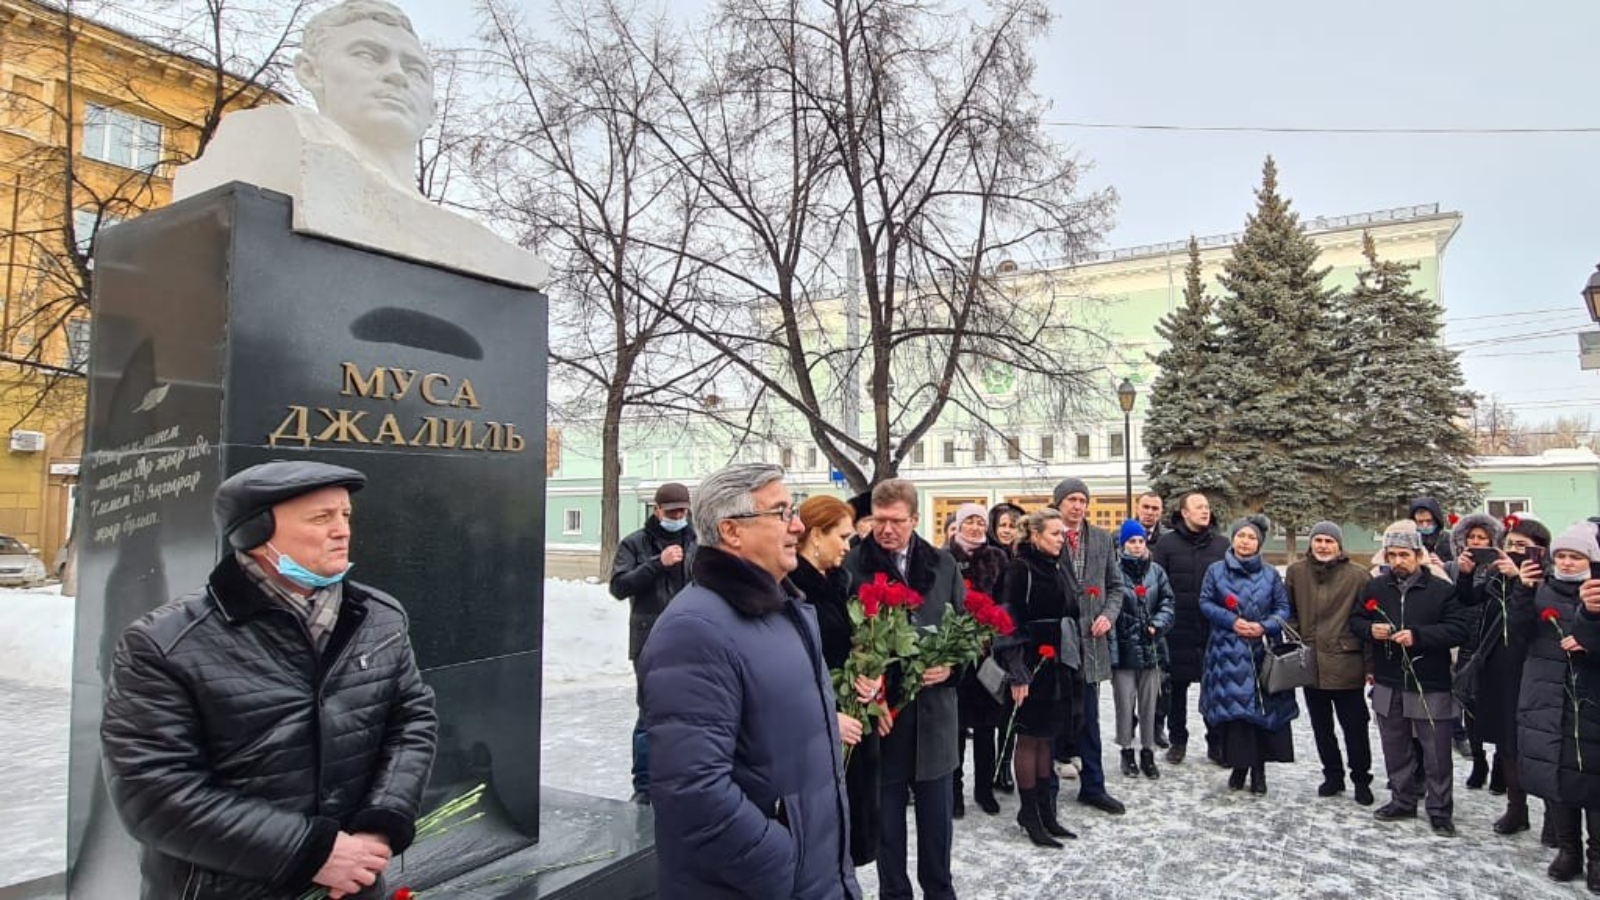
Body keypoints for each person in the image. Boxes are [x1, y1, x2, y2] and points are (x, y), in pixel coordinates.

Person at [100, 461, 438, 899]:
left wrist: (381, 824)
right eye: (321, 518)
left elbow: (411, 722)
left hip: (353, 884)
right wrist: (310, 852)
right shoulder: (164, 644)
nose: (342, 531)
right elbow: (153, 794)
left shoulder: (380, 617)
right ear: (254, 533)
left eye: (345, 515)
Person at [639, 463, 860, 899]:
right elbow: (693, 789)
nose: (797, 526)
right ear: (731, 531)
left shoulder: (783, 609)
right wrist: (781, 861)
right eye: (781, 513)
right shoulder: (695, 630)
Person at [845, 479, 961, 900]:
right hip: (883, 718)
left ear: (915, 519)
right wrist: (867, 686)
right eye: (879, 520)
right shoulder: (853, 564)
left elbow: (962, 628)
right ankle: (894, 893)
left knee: (937, 823)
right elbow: (843, 637)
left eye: (896, 521)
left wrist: (952, 667)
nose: (886, 529)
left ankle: (940, 891)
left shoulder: (942, 564)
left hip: (935, 715)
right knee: (887, 824)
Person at [1351, 523, 1471, 837]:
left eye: (1404, 554)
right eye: (1392, 555)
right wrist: (1370, 630)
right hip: (1388, 679)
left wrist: (1419, 636)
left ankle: (1440, 809)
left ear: (1419, 556)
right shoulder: (1376, 587)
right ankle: (1402, 799)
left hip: (1429, 681)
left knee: (1436, 751)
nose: (1398, 561)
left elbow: (1459, 629)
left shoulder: (1441, 590)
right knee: (1395, 746)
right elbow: (1356, 620)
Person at [792, 495, 882, 868]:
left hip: (852, 723)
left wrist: (872, 676)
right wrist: (825, 716)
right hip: (814, 732)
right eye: (842, 537)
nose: (848, 546)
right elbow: (789, 670)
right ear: (816, 535)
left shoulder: (839, 581)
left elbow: (854, 644)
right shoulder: (794, 589)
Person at [1512, 523, 1600, 888]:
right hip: (1545, 694)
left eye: (1575, 556)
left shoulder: (1596, 592)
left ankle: (1597, 857)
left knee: (1593, 778)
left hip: (1590, 695)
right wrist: (1521, 590)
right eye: (1561, 555)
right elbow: (1516, 633)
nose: (1565, 562)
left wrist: (1589, 641)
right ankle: (1568, 850)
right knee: (1557, 774)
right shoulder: (1540, 588)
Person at [1454, 513, 1551, 838]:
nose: (1513, 551)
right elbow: (1469, 599)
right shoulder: (1498, 577)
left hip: (1534, 670)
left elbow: (1529, 623)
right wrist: (1466, 575)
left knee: (1542, 747)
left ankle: (1554, 819)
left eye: (1522, 546)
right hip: (1498, 669)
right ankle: (1516, 809)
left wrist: (1523, 582)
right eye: (1509, 545)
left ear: (1540, 551)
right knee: (1507, 744)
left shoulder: (1550, 580)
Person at [996, 509, 1084, 848]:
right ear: (1035, 535)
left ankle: (1047, 812)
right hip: (1029, 661)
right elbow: (1007, 621)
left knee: (1047, 737)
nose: (1062, 539)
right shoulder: (1019, 568)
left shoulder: (1056, 565)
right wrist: (1017, 671)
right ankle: (1029, 813)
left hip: (1055, 662)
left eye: (1063, 534)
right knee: (1029, 738)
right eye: (1055, 533)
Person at [610, 482, 698, 805]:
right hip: (650, 640)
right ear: (657, 510)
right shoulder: (635, 543)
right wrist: (657, 563)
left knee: (692, 709)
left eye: (682, 511)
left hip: (691, 638)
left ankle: (685, 777)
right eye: (672, 512)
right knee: (651, 712)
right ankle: (645, 786)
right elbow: (618, 586)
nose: (678, 516)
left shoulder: (696, 541)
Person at [1198, 514, 1298, 795]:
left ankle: (1259, 770)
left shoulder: (1270, 574)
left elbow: (1283, 608)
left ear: (1259, 543)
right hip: (1227, 651)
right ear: (1233, 539)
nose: (1245, 541)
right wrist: (1232, 621)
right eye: (1241, 536)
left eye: (1251, 537)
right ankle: (1239, 766)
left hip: (1262, 651)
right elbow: (1205, 602)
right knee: (1237, 715)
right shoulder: (1216, 571)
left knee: (1263, 713)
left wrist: (1264, 626)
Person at [1284, 521, 1374, 805]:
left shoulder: (1358, 576)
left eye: (1329, 541)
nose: (1323, 546)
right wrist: (1297, 637)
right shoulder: (1297, 572)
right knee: (1321, 728)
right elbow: (1289, 610)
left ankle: (1361, 778)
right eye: (1318, 540)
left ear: (1339, 545)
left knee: (1355, 728)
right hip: (1311, 664)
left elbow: (1367, 620)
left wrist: (1370, 665)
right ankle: (1332, 775)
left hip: (1346, 663)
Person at [1050, 478, 1125, 815]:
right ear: (1059, 503)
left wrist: (1108, 616)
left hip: (1092, 642)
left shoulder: (1102, 538)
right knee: (1054, 715)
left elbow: (1116, 586)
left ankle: (1093, 786)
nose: (1078, 506)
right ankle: (1046, 791)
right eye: (1071, 500)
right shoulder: (1048, 534)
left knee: (1090, 718)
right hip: (1057, 641)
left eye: (1082, 500)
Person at [1152, 491, 1228, 765]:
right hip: (1177, 629)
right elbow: (1157, 584)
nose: (1205, 511)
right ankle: (1178, 741)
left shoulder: (1222, 544)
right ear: (1184, 513)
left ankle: (1216, 742)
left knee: (1214, 689)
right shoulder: (1167, 544)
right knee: (1176, 690)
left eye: (1207, 506)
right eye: (1198, 507)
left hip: (1212, 629)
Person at [947, 503, 1010, 817]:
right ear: (959, 525)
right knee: (956, 729)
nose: (974, 527)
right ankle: (954, 792)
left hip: (987, 654)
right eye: (969, 521)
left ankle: (984, 789)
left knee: (987, 727)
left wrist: (993, 625)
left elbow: (1006, 601)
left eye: (979, 522)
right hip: (954, 654)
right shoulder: (945, 558)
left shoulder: (997, 558)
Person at [1111, 520, 1174, 780]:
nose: (1137, 546)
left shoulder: (1156, 572)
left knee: (1150, 704)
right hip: (1124, 649)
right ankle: (1126, 750)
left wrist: (1157, 624)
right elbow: (1110, 605)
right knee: (1124, 704)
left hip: (1151, 647)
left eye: (1140, 541)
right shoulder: (1114, 572)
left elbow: (1167, 602)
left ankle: (1148, 751)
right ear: (1123, 544)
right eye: (1131, 541)